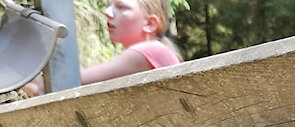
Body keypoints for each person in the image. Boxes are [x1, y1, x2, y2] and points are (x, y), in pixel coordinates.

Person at [21, 0, 180, 97]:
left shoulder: (149, 51)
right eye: (108, 5)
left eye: (121, 6)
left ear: (150, 23)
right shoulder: (152, 52)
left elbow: (70, 79)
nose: (107, 12)